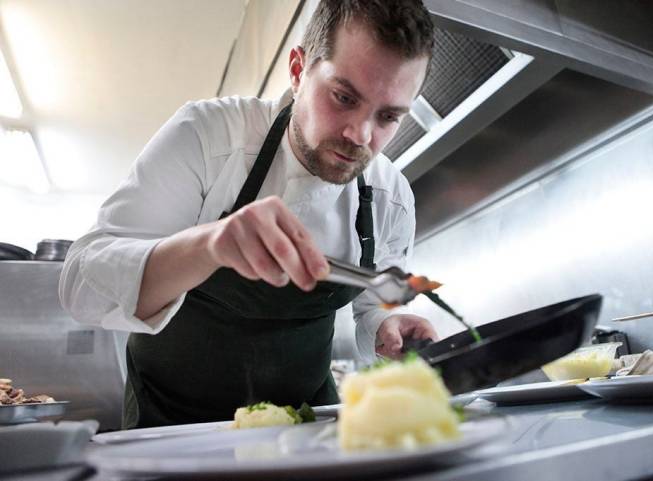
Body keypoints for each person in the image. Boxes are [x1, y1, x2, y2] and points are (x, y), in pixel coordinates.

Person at [60, 0, 438, 429]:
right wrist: (209, 246)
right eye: (344, 97)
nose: (361, 136)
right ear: (298, 71)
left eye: (388, 116)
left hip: (301, 426)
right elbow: (81, 286)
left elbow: (373, 308)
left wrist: (388, 325)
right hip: (171, 426)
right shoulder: (206, 137)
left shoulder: (391, 198)